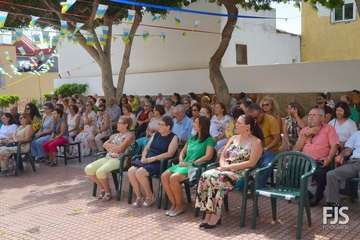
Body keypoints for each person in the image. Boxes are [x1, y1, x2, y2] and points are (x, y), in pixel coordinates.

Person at [195, 115, 263, 228]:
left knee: (215, 179)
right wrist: (223, 166)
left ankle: (215, 215)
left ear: (248, 126)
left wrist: (228, 168)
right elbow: (222, 155)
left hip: (241, 174)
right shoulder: (233, 138)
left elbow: (251, 163)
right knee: (205, 175)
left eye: (239, 123)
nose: (236, 125)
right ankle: (208, 213)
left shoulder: (256, 142)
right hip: (225, 170)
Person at [161, 116, 215, 217]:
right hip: (183, 165)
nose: (193, 124)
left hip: (195, 168)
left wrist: (192, 163)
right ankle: (175, 204)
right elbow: (183, 152)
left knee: (173, 178)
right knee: (164, 176)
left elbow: (208, 156)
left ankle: (180, 206)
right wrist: (181, 159)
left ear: (202, 126)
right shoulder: (191, 138)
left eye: (195, 123)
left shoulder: (209, 140)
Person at [128, 116, 178, 207]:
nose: (159, 126)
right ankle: (139, 197)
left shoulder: (173, 137)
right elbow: (146, 148)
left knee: (140, 172)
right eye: (159, 124)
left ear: (168, 127)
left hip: (160, 163)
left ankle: (150, 196)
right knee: (131, 171)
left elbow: (170, 154)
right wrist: (143, 156)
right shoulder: (156, 134)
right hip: (148, 159)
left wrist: (153, 159)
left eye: (161, 125)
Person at [293, 107, 339, 206]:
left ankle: (317, 196)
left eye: (314, 115)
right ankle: (304, 193)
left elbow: (334, 145)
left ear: (322, 118)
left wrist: (329, 158)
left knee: (321, 173)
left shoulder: (329, 129)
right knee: (292, 168)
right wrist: (303, 136)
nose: (310, 118)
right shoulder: (305, 130)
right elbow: (297, 148)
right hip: (305, 161)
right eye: (309, 115)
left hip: (320, 161)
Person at [85, 116, 135, 201]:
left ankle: (108, 192)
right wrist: (115, 148)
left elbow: (120, 149)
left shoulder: (130, 135)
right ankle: (103, 188)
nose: (117, 124)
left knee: (100, 171)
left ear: (126, 125)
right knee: (88, 169)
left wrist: (112, 147)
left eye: (119, 123)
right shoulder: (114, 135)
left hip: (120, 160)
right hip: (108, 157)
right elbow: (104, 145)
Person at [325, 130, 360, 211]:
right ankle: (333, 205)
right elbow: (348, 150)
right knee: (331, 174)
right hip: (355, 163)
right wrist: (341, 155)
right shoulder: (357, 134)